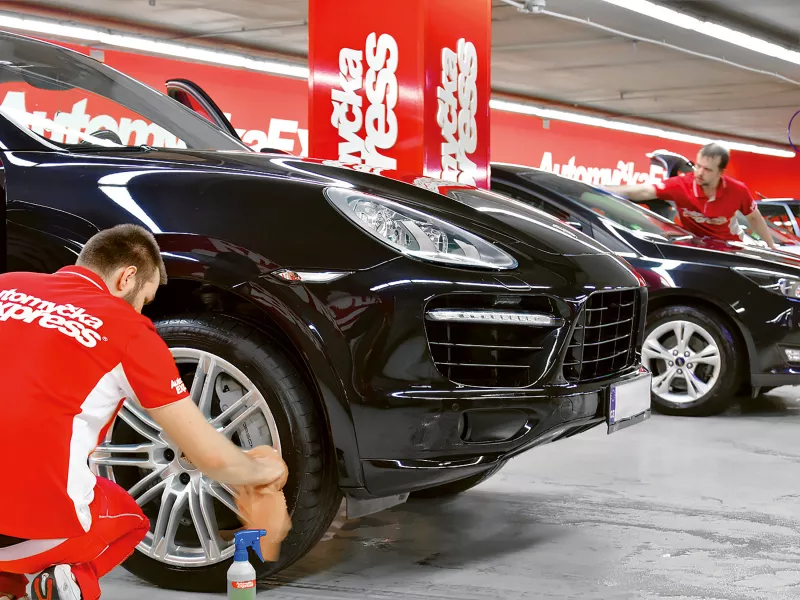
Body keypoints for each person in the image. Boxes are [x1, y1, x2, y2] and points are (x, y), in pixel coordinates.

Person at [0, 224, 287, 600]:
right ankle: (63, 585)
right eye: (145, 299)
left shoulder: (7, 285)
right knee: (130, 522)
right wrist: (264, 471)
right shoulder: (128, 329)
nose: (141, 310)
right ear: (127, 277)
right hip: (27, 531)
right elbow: (211, 458)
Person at [606, 142, 776, 248]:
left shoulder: (737, 190)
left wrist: (771, 246)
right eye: (698, 166)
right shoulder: (681, 185)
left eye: (708, 169)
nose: (700, 173)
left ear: (720, 172)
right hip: (697, 247)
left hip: (730, 247)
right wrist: (597, 189)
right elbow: (644, 190)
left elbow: (754, 218)